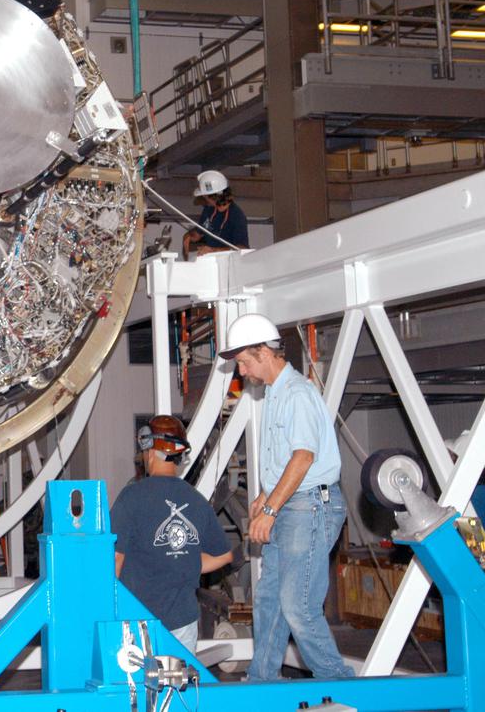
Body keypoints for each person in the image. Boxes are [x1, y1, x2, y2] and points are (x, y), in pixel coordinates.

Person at [220, 314, 354, 681]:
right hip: (295, 504)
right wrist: (264, 496)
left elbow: (303, 457)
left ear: (264, 352)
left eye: (245, 361)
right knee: (269, 602)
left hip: (310, 506)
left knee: (298, 607)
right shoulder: (276, 394)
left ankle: (340, 684)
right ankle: (262, 681)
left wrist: (270, 508)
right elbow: (284, 460)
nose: (242, 371)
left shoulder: (296, 393)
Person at [111, 415, 233, 652]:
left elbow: (115, 560)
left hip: (138, 622)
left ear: (148, 449)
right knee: (178, 687)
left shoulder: (131, 497)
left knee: (137, 687)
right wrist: (183, 560)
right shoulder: (197, 501)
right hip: (183, 623)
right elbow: (224, 556)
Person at [445, 430, 485, 546]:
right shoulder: (484, 491)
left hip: (477, 563)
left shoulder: (476, 496)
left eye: (454, 459)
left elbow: (473, 543)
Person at [183, 170, 249, 256]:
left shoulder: (236, 216)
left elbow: (242, 248)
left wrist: (213, 250)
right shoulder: (208, 210)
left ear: (212, 196)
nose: (203, 198)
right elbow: (197, 234)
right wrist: (188, 235)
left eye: (204, 196)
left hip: (229, 265)